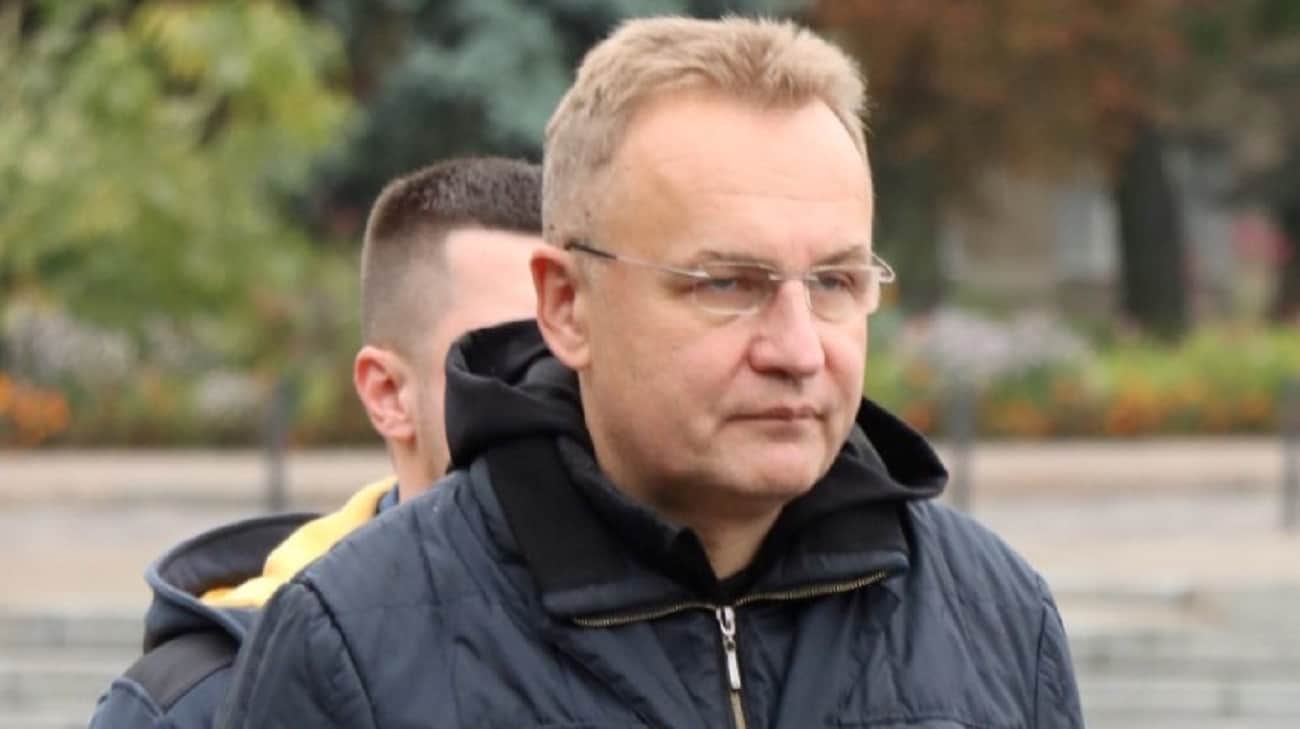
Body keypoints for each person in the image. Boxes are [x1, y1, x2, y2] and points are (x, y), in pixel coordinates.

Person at [218, 17, 1084, 729]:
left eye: (834, 281)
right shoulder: (351, 646)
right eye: (727, 284)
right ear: (565, 305)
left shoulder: (996, 615)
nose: (798, 349)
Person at [85, 157, 545, 728]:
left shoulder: (645, 622)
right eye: (511, 357)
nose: (558, 390)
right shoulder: (203, 700)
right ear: (387, 394)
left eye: (578, 350)